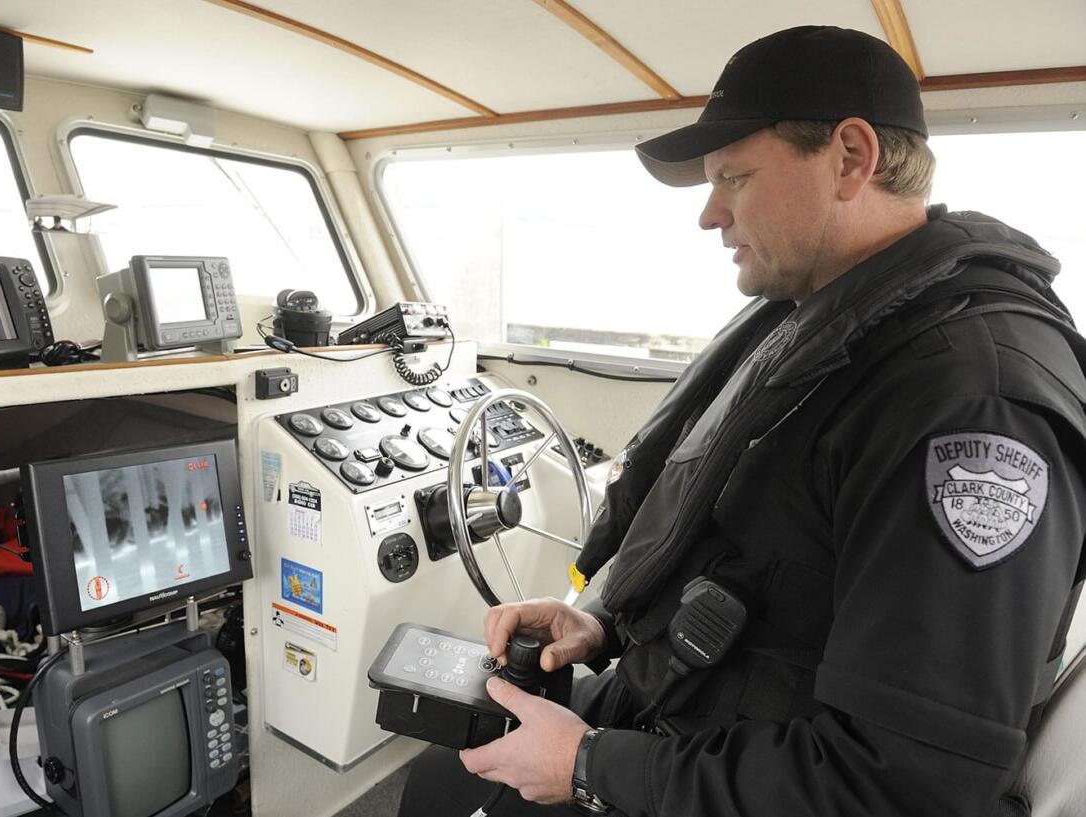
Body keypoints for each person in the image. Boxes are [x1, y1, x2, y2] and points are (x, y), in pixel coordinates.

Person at [397, 25, 1086, 817]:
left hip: (739, 772)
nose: (710, 215)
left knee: (448, 794)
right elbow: (760, 560)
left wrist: (587, 766)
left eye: (733, 177)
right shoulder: (819, 325)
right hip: (687, 708)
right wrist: (603, 626)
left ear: (851, 160)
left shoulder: (968, 405)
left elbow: (905, 781)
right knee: (443, 774)